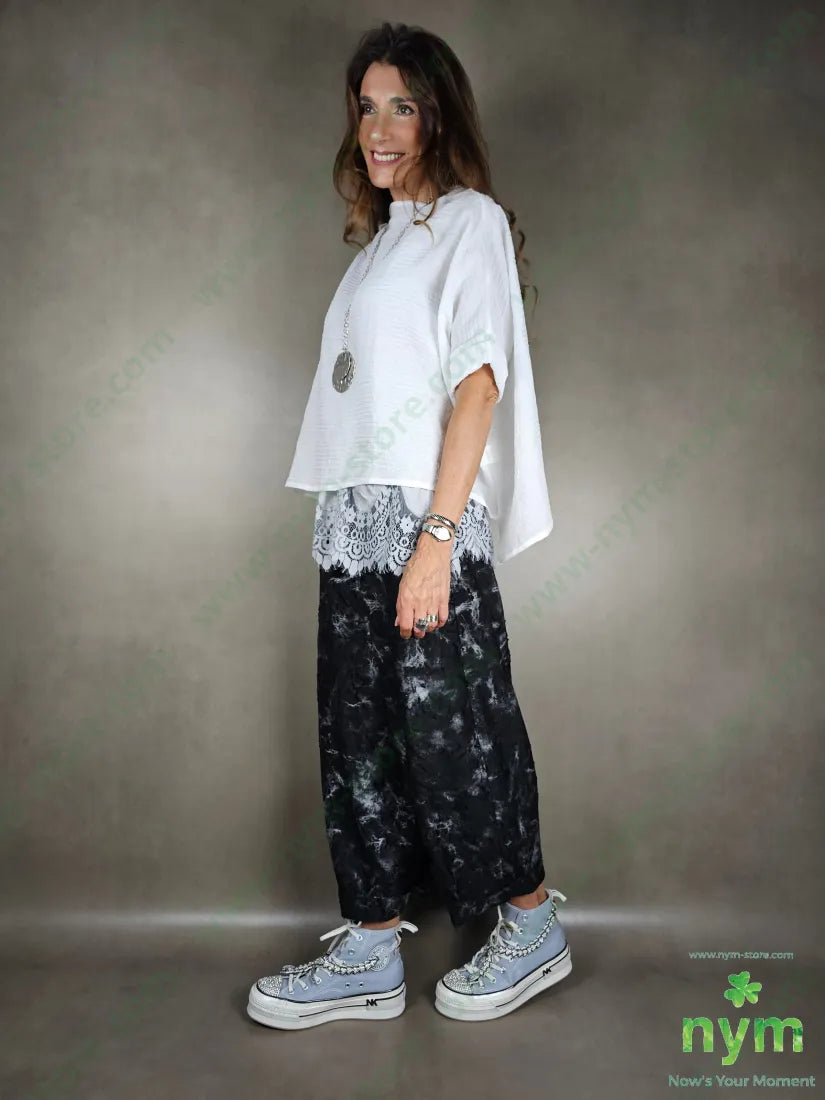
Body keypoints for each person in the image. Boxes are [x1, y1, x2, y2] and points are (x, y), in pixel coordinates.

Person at [247, 21, 572, 1031]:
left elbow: (478, 385)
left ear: (438, 117)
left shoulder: (468, 222)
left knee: (455, 730)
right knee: (359, 742)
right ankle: (372, 945)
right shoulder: (379, 245)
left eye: (402, 106)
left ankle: (532, 924)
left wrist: (434, 539)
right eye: (366, 106)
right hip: (354, 525)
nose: (379, 128)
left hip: (425, 526)